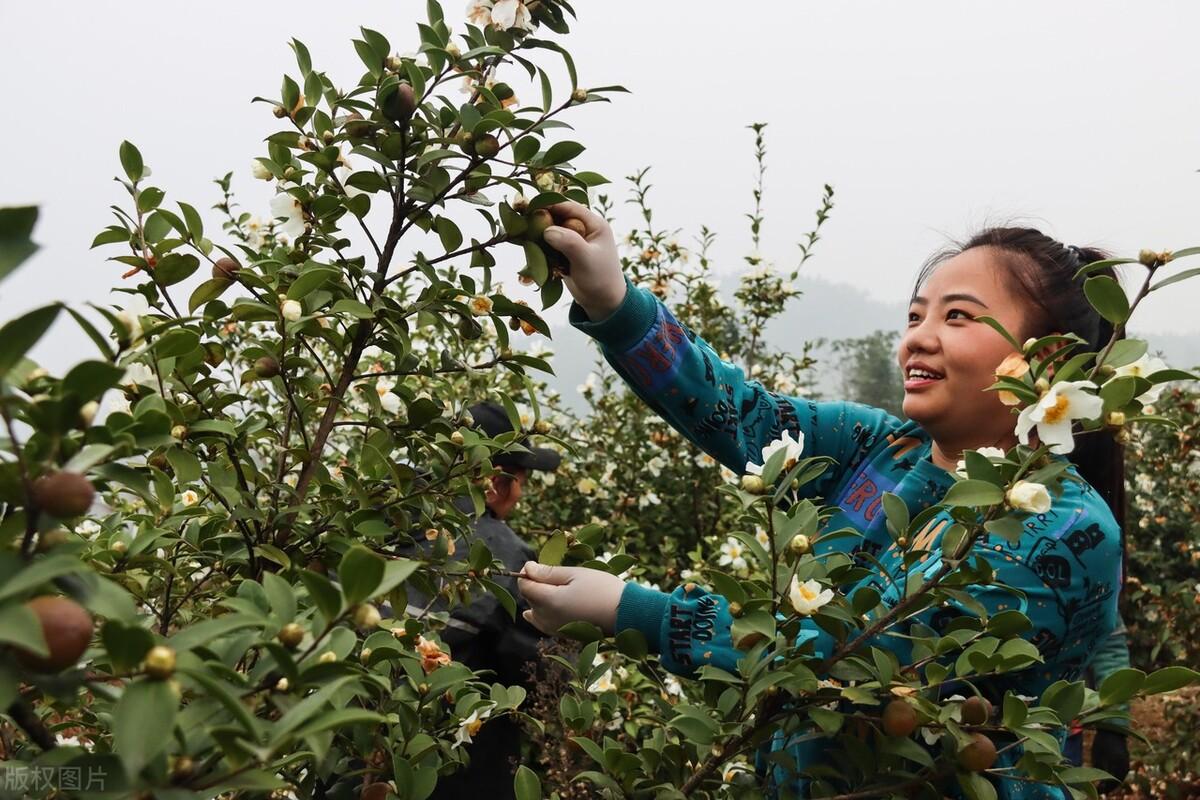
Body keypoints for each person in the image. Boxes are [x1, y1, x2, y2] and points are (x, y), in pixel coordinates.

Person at [517, 211, 1127, 799]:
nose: (919, 336)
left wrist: (633, 613)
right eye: (916, 315)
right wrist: (614, 303)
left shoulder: (1062, 525)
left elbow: (846, 660)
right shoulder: (880, 448)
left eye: (958, 316)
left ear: (1044, 361)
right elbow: (741, 413)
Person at [412, 402, 560, 799]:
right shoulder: (506, 557)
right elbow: (541, 670)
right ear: (495, 483)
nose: (521, 493)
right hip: (456, 768)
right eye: (522, 479)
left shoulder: (378, 516)